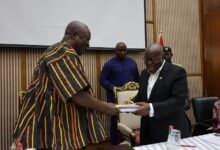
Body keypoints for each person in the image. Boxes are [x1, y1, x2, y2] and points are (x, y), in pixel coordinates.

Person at [13, 21, 120, 150]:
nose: (88, 44)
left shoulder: (57, 50)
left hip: (55, 123)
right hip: (46, 125)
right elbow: (76, 94)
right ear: (75, 35)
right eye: (86, 39)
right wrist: (105, 108)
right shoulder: (62, 52)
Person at [133, 43, 190, 145]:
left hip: (168, 131)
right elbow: (143, 95)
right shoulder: (144, 73)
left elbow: (178, 101)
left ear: (162, 57)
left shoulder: (177, 72)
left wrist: (151, 108)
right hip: (147, 131)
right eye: (146, 59)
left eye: (153, 59)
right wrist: (130, 104)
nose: (149, 63)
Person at [100, 42, 139, 144]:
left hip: (131, 98)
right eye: (120, 50)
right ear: (115, 51)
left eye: (124, 50)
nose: (122, 52)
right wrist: (113, 88)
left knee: (133, 118)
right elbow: (102, 80)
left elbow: (137, 79)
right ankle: (114, 145)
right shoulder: (109, 64)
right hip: (114, 98)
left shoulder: (132, 62)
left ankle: (133, 142)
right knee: (114, 122)